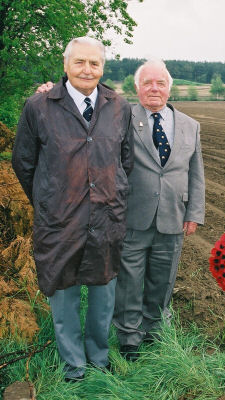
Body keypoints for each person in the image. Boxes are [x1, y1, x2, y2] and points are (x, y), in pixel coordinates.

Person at [12, 37, 134, 381]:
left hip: (106, 219)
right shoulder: (39, 106)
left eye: (94, 63)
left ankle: (98, 358)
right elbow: (24, 162)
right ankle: (73, 367)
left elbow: (126, 162)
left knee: (102, 293)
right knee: (62, 295)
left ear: (103, 68)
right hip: (59, 222)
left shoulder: (118, 107)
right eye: (79, 62)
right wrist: (51, 200)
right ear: (66, 66)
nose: (87, 69)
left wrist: (112, 195)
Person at [112, 59, 205, 360]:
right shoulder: (121, 117)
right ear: (136, 87)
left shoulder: (191, 126)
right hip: (132, 215)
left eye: (160, 83)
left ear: (169, 88)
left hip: (173, 216)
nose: (154, 88)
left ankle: (156, 332)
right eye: (147, 82)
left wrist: (194, 213)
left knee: (163, 279)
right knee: (129, 279)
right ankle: (129, 337)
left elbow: (196, 173)